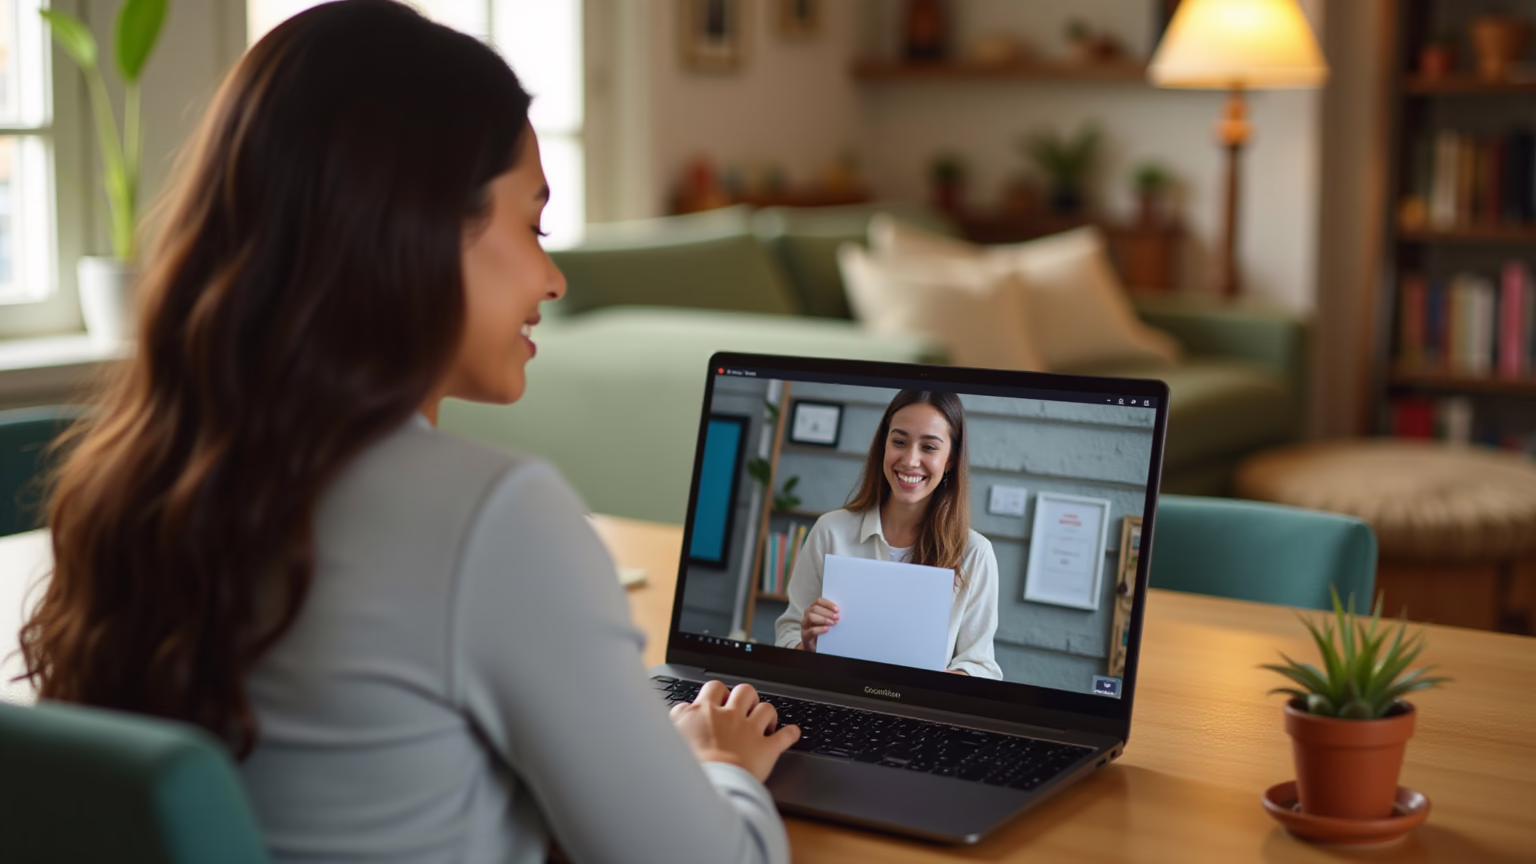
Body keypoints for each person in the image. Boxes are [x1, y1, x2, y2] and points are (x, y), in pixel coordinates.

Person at [17, 3, 797, 862]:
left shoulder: (142, 479)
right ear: (417, 226)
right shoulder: (493, 516)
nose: (554, 277)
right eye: (531, 225)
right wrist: (718, 765)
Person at [775, 390, 1002, 679]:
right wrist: (805, 645)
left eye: (929, 447)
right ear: (883, 445)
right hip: (832, 695)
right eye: (899, 442)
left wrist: (948, 682)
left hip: (918, 711)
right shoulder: (830, 530)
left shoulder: (975, 553)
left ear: (950, 461)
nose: (910, 460)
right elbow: (787, 635)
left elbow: (982, 667)